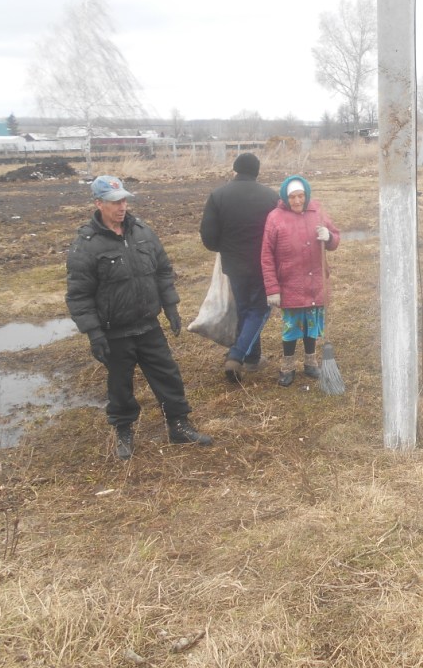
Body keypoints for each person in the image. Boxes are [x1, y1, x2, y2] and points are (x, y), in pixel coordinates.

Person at [66, 175, 213, 460]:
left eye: (123, 200)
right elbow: (78, 296)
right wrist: (94, 333)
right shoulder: (86, 244)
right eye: (114, 202)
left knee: (168, 375)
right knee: (120, 386)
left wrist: (170, 307)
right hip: (114, 332)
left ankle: (179, 426)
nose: (122, 207)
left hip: (148, 324)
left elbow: (162, 270)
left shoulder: (142, 232)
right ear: (99, 204)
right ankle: (123, 432)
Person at [199, 152, 281, 383]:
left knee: (245, 308)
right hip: (263, 265)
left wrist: (224, 248)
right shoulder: (270, 197)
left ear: (235, 169)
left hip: (233, 264)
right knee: (259, 310)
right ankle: (237, 355)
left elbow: (208, 237)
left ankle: (253, 358)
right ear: (257, 172)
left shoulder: (218, 195)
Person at [261, 175, 340, 386]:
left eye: (301, 196)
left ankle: (310, 362)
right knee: (291, 327)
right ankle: (287, 366)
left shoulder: (318, 212)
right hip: (290, 283)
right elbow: (266, 256)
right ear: (286, 198)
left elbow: (335, 239)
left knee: (312, 324)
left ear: (307, 195)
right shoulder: (275, 218)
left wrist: (329, 237)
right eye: (293, 197)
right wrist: (272, 289)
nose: (297, 201)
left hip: (316, 282)